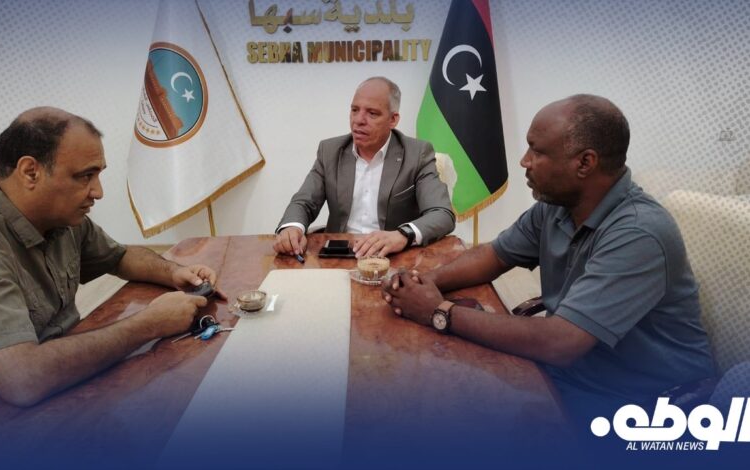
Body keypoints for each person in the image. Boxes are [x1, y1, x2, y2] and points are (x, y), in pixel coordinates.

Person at [382, 94, 715, 421]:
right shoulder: (558, 206)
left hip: (640, 402)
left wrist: (438, 311)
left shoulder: (639, 233)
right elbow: (494, 255)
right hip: (573, 374)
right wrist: (423, 283)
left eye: (537, 151)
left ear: (585, 163)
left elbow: (561, 342)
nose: (524, 161)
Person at [0, 107, 225, 410]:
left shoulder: (58, 215)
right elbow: (21, 379)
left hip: (67, 381)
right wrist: (150, 324)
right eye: (85, 176)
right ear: (30, 172)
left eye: (98, 174)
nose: (98, 192)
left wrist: (174, 272)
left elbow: (119, 257)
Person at [274, 76, 455, 258]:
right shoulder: (330, 151)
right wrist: (292, 227)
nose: (359, 120)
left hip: (393, 257)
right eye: (355, 110)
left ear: (393, 120)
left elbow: (441, 213)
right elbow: (304, 202)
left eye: (372, 113)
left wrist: (402, 235)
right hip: (339, 256)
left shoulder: (416, 154)